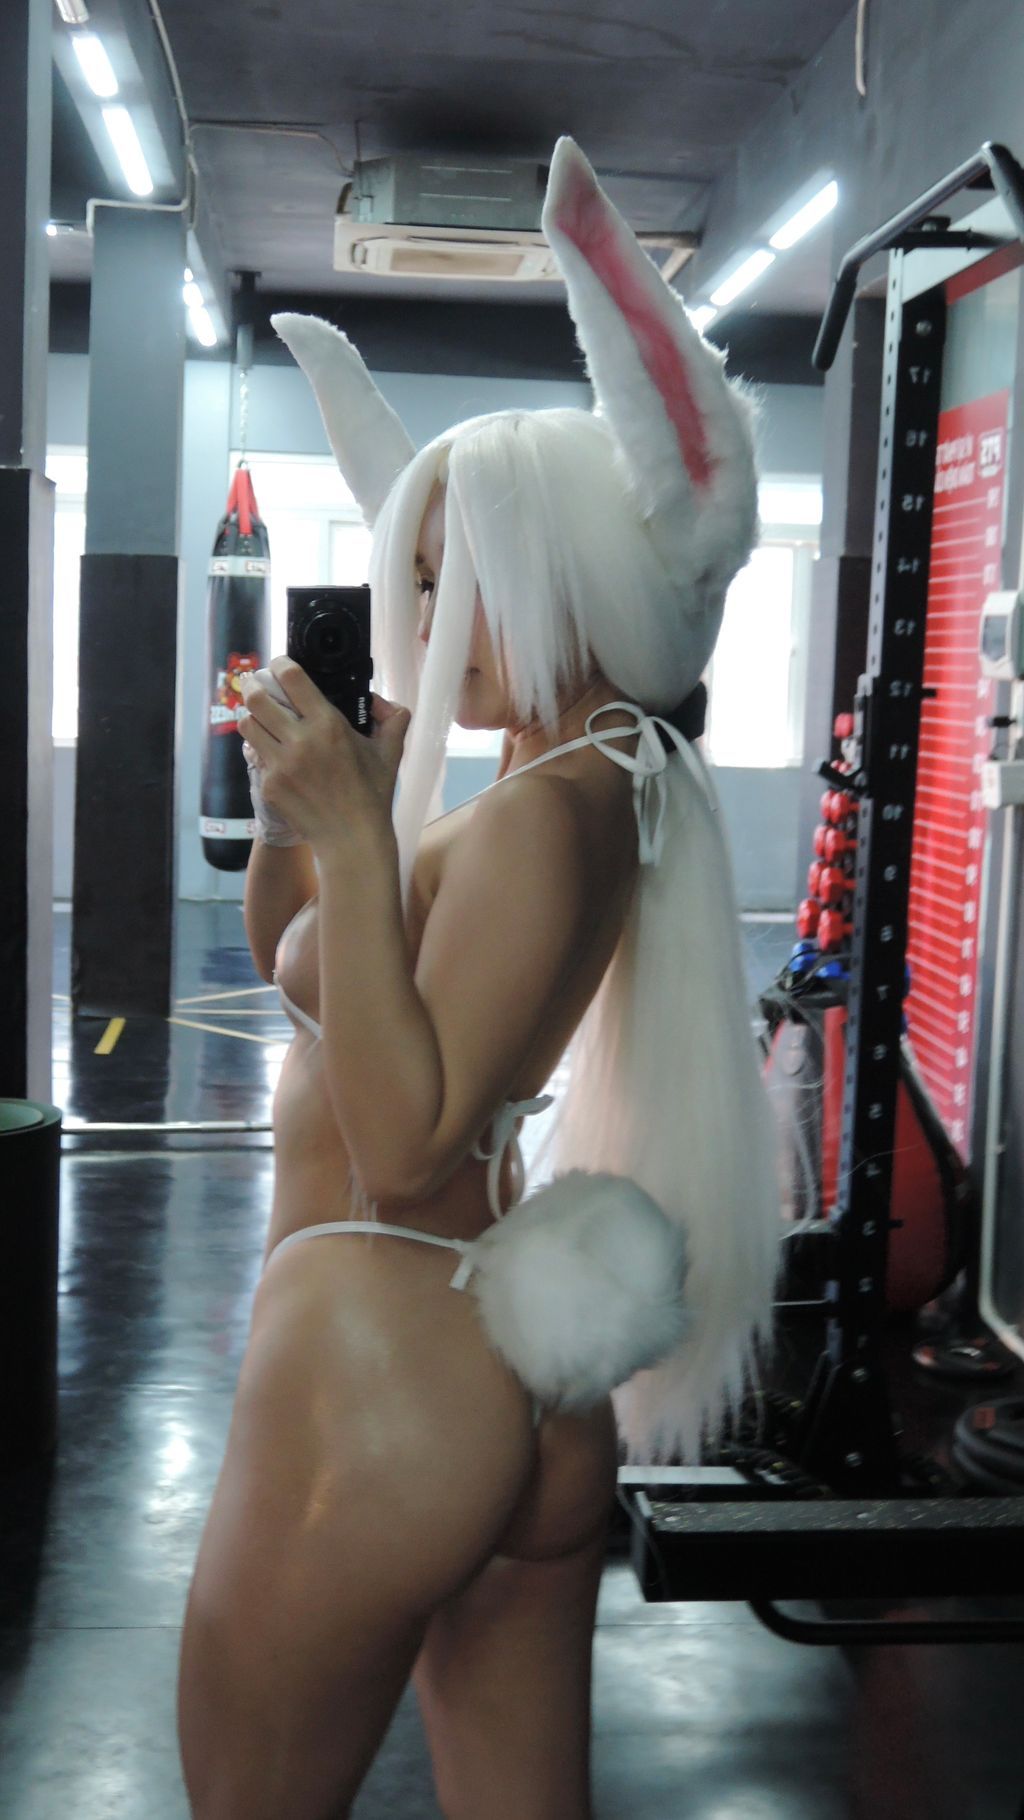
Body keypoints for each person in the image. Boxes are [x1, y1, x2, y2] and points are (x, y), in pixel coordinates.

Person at [177, 135, 781, 1819]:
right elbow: (300, 965)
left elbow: (404, 1139)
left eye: (453, 579)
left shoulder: (545, 810)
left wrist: (357, 842)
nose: (426, 610)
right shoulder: (563, 780)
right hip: (487, 1363)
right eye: (417, 575)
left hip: (383, 1344)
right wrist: (315, 805)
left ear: (560, 580)